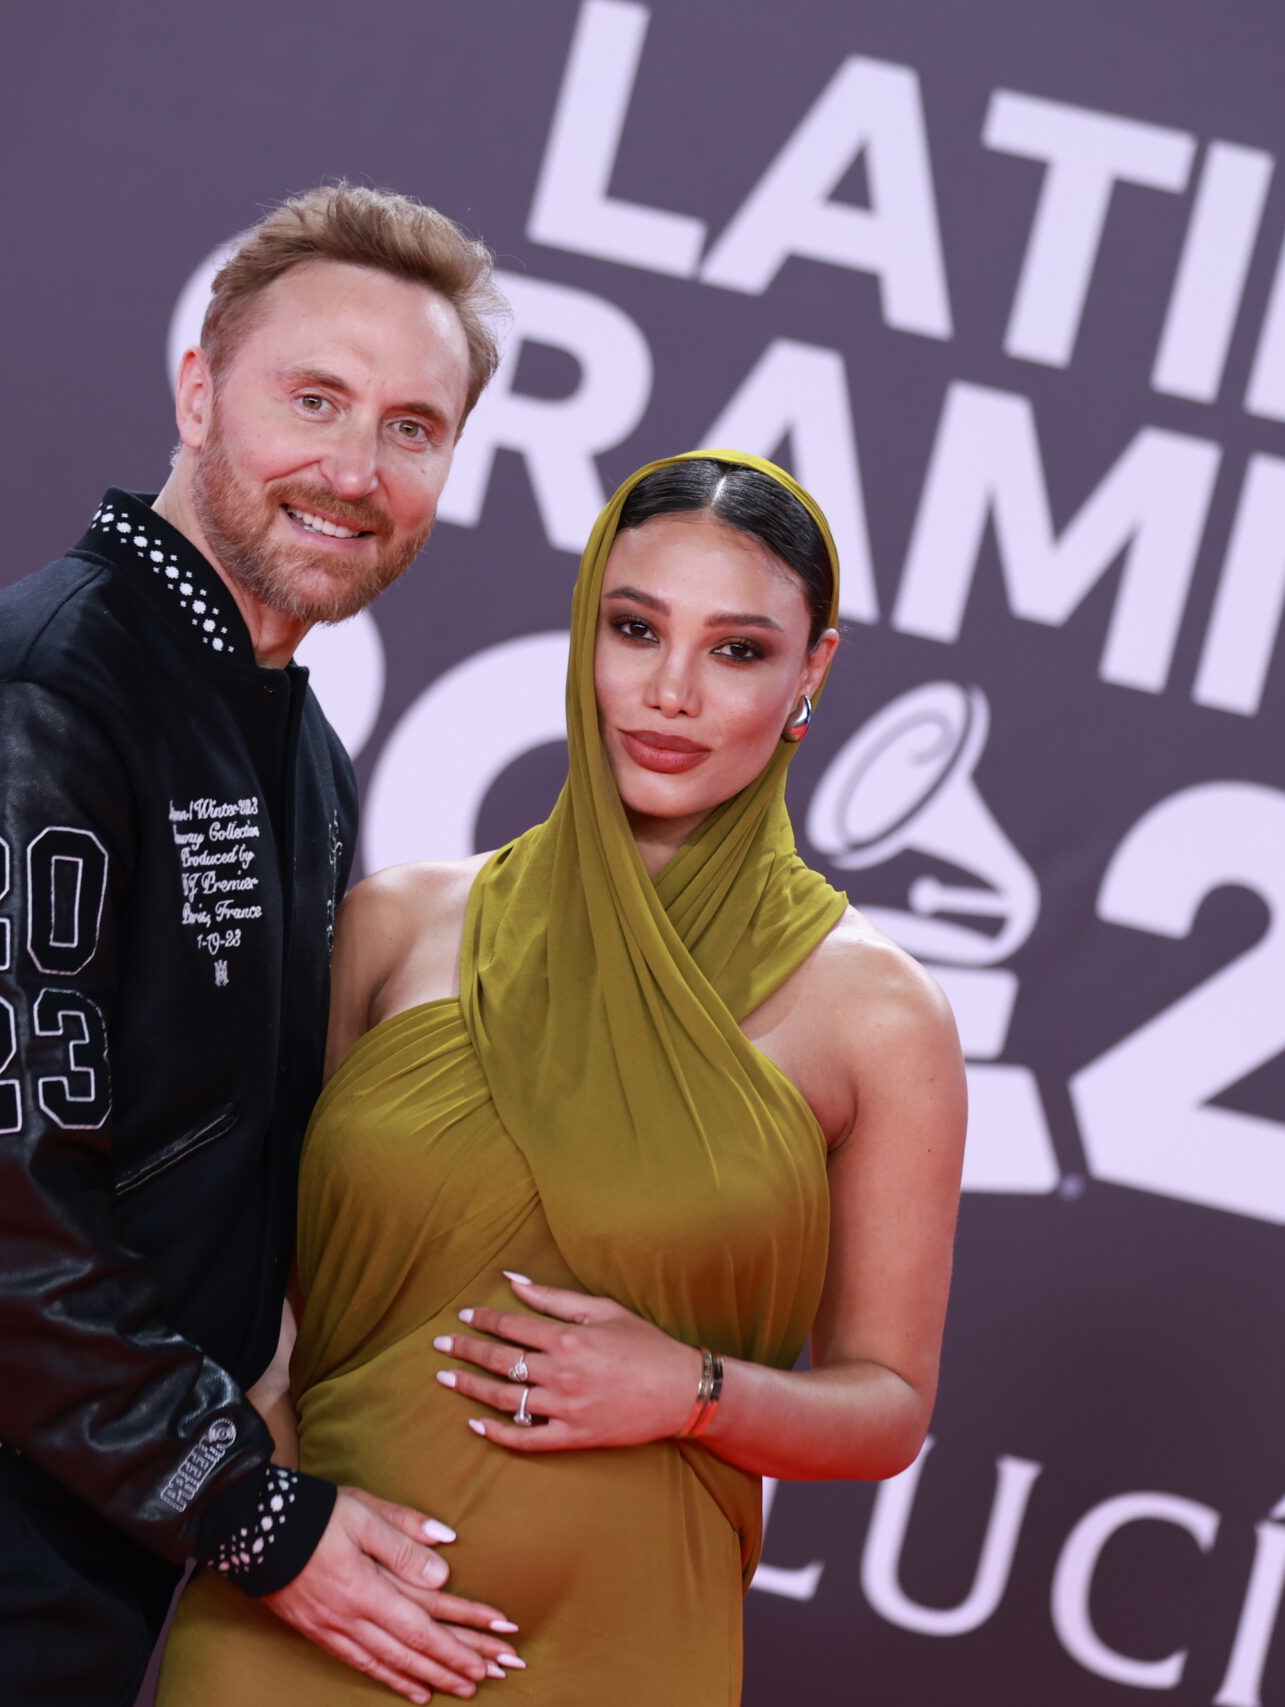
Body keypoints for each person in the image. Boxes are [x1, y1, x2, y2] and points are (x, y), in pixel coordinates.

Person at [0, 184, 530, 1707]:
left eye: (413, 427)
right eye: (317, 398)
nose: (356, 469)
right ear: (199, 386)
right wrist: (254, 1507)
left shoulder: (296, 744)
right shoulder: (35, 706)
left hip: (93, 1514)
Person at [159, 451, 968, 1704]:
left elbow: (887, 1408)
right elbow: (259, 1310)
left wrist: (690, 1390)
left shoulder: (880, 1017)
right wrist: (273, 1534)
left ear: (812, 673)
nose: (670, 692)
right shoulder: (399, 923)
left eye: (738, 650)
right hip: (310, 1613)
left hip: (620, 1644)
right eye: (634, 628)